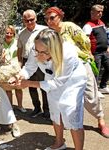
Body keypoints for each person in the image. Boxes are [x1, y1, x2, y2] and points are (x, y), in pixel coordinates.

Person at [9, 29, 87, 150]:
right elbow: (29, 67)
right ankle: (59, 143)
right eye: (37, 51)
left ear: (54, 49)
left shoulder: (68, 54)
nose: (39, 55)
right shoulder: (36, 49)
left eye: (44, 52)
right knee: (55, 109)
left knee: (71, 111)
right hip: (51, 78)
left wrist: (29, 83)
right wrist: (20, 76)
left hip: (73, 81)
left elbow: (58, 82)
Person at [44, 6, 109, 138]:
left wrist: (81, 56)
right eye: (46, 19)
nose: (49, 21)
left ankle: (101, 121)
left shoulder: (69, 27)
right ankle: (69, 122)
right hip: (62, 69)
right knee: (65, 96)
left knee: (90, 95)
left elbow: (85, 42)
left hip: (81, 65)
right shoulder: (50, 33)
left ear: (60, 17)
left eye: (52, 18)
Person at [17, 9, 49, 117]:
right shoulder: (21, 33)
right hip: (28, 61)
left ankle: (47, 110)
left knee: (45, 86)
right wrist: (19, 64)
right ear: (23, 21)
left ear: (36, 18)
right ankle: (36, 108)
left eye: (31, 20)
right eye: (26, 20)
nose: (29, 22)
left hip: (43, 61)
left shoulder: (44, 29)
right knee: (31, 87)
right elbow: (19, 50)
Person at [83, 4, 109, 94]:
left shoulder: (101, 23)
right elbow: (85, 41)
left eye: (101, 12)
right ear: (92, 12)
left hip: (105, 51)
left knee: (108, 68)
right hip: (95, 53)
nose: (100, 13)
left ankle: (103, 86)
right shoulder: (88, 26)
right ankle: (95, 91)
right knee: (95, 72)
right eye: (98, 12)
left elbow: (105, 36)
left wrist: (108, 47)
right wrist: (89, 53)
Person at [0, 25, 24, 113]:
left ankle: (20, 106)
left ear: (14, 34)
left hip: (15, 67)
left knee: (18, 87)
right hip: (5, 68)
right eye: (7, 33)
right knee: (8, 89)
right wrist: (1, 58)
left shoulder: (17, 42)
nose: (9, 34)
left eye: (11, 33)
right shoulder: (0, 43)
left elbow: (20, 56)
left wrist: (20, 67)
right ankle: (10, 107)